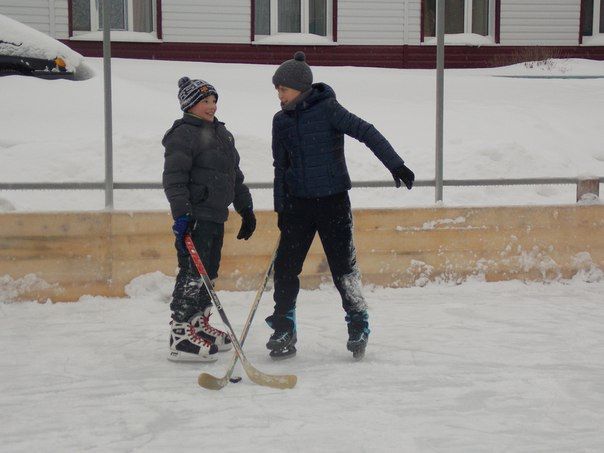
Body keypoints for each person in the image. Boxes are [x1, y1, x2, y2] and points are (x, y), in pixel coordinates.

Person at [266, 52, 415, 360]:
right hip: (297, 207)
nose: (279, 95)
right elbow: (280, 167)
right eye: (277, 89)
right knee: (284, 269)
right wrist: (281, 208)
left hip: (332, 202)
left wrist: (396, 165)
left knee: (343, 270)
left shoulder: (328, 109)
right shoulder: (280, 122)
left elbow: (366, 131)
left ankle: (358, 322)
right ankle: (284, 328)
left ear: (300, 88)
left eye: (283, 88)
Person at [162, 76, 256, 362]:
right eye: (205, 101)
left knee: (208, 273)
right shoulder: (183, 135)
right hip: (196, 217)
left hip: (216, 216)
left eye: (214, 100)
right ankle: (180, 334)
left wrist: (245, 209)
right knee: (192, 275)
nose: (211, 106)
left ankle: (198, 323)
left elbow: (234, 177)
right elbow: (174, 179)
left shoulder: (222, 134)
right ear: (189, 104)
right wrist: (182, 215)